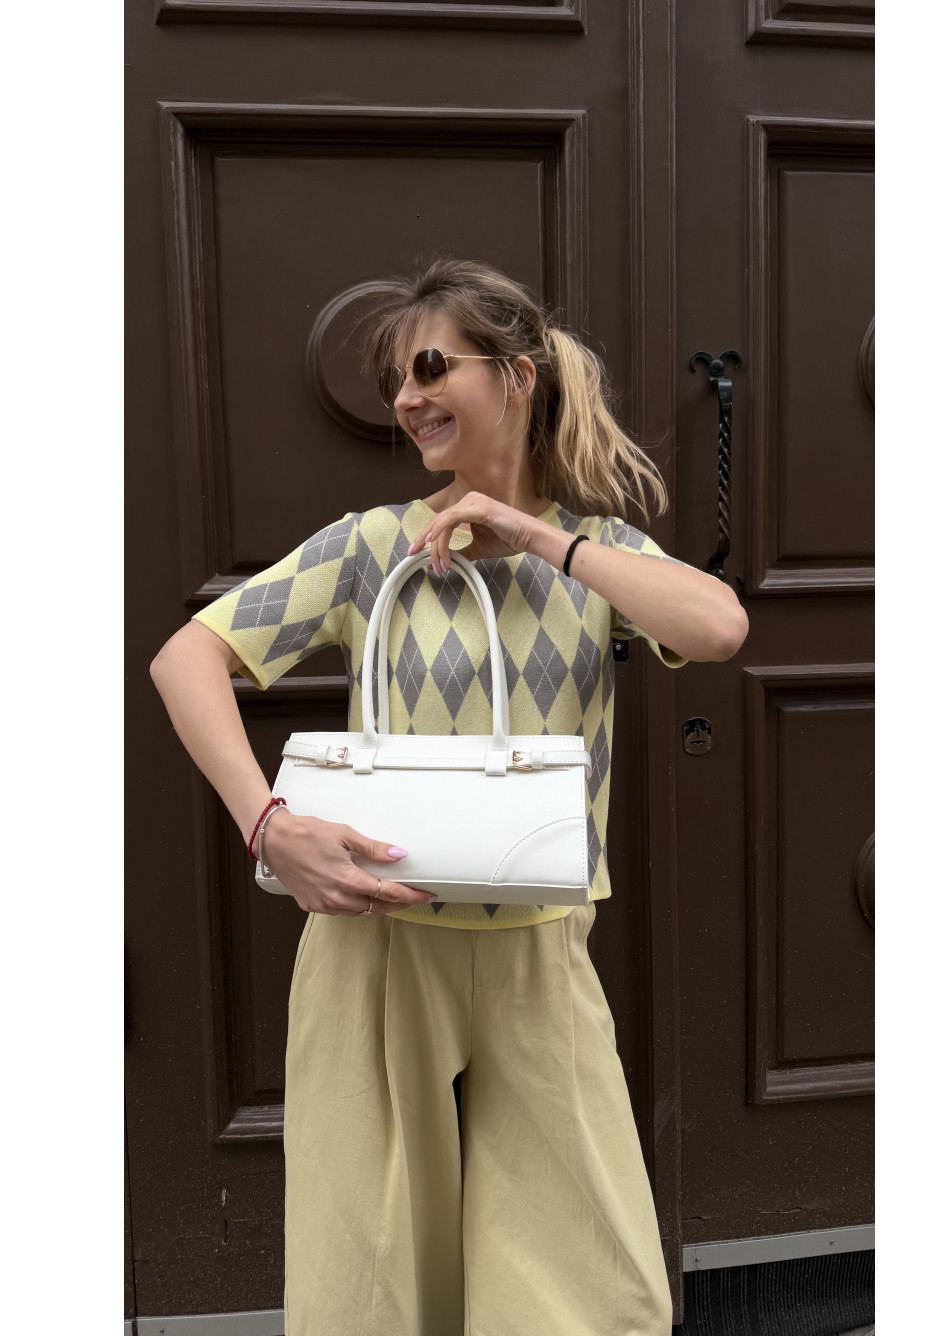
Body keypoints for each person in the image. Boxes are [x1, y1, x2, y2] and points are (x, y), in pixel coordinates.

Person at [150, 258, 748, 1336]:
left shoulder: (596, 553)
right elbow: (184, 658)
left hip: (539, 947)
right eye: (396, 379)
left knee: (589, 1283)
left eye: (430, 367)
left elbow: (718, 628)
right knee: (370, 1272)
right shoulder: (369, 548)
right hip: (375, 946)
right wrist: (266, 824)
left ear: (517, 376)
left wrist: (538, 537)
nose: (406, 398)